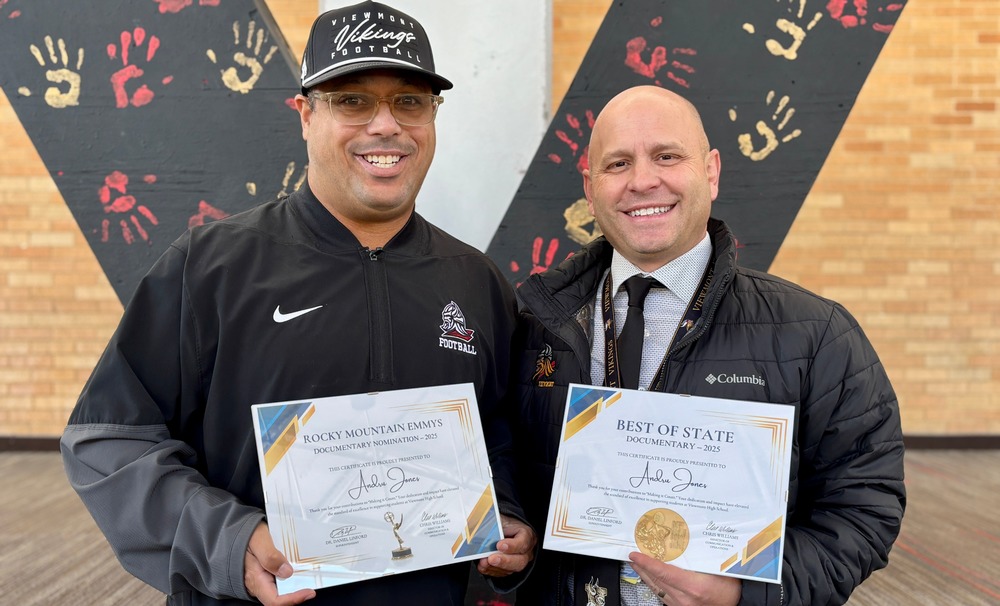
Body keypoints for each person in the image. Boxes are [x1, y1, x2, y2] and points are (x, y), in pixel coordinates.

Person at [61, 2, 535, 605]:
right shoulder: (210, 267)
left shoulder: (475, 282)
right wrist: (229, 541)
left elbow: (501, 435)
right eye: (352, 100)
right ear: (306, 115)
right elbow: (110, 441)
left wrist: (509, 514)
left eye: (410, 102)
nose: (386, 125)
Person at [510, 85, 905, 605]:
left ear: (712, 171)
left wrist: (745, 594)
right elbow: (504, 467)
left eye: (667, 156)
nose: (642, 181)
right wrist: (512, 526)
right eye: (618, 164)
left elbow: (863, 509)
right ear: (590, 187)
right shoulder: (533, 323)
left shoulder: (816, 334)